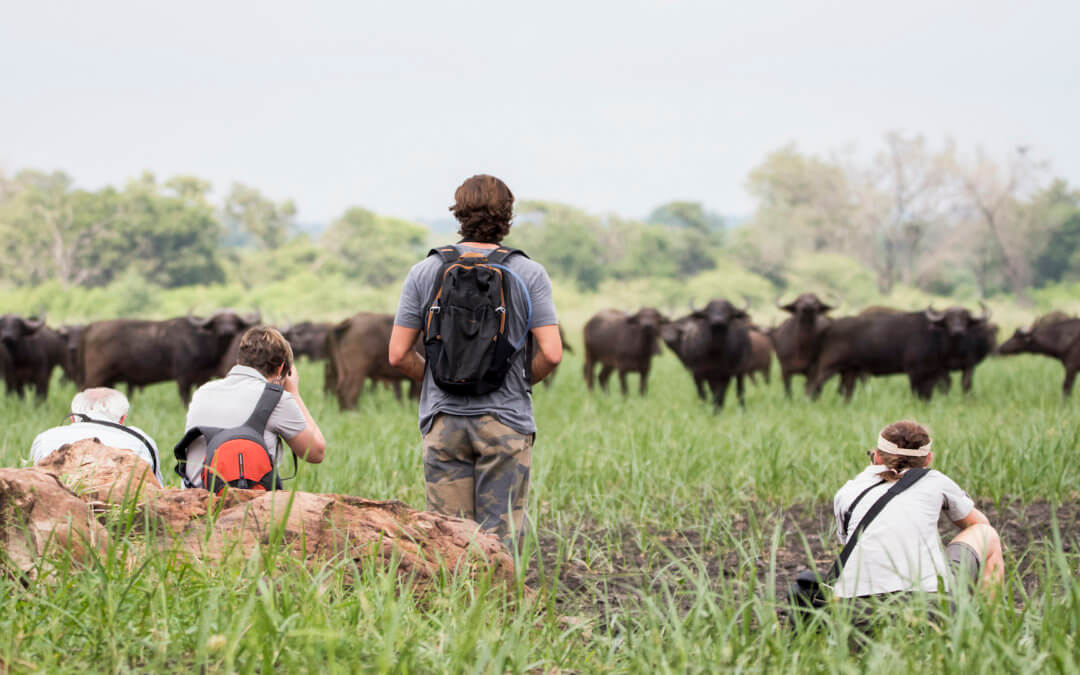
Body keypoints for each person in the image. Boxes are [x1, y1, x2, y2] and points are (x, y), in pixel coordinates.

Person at [389, 174, 562, 550]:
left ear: (458, 214)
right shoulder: (529, 273)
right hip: (505, 423)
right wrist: (517, 380)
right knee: (500, 544)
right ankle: (501, 607)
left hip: (444, 424)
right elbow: (551, 352)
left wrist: (437, 378)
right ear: (508, 216)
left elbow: (398, 354)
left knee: (449, 543)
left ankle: (454, 608)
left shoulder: (425, 271)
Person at [832, 420, 1004, 599]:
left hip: (853, 607)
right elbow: (979, 524)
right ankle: (984, 622)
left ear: (877, 457)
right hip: (926, 603)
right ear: (928, 459)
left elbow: (850, 543)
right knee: (986, 534)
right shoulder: (935, 481)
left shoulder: (848, 490)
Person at [179, 325, 326, 489]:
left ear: (239, 362)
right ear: (281, 368)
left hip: (196, 499)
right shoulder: (277, 398)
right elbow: (316, 453)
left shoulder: (203, 392)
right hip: (247, 504)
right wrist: (294, 393)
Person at [30, 387, 163, 486]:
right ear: (122, 419)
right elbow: (158, 492)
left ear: (73, 419)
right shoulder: (141, 441)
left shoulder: (45, 439)